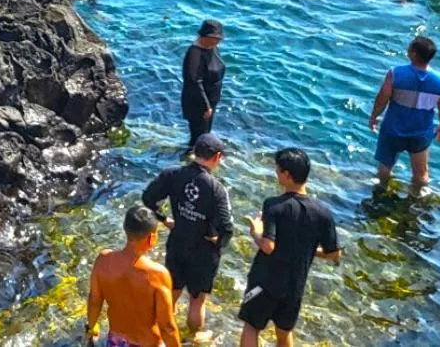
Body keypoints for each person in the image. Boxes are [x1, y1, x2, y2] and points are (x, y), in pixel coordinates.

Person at [239, 148, 341, 347]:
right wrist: (310, 250)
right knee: (284, 333)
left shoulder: (273, 205)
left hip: (265, 281)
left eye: (277, 170)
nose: (276, 174)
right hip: (295, 286)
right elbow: (334, 254)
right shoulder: (323, 213)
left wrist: (255, 232)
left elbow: (268, 246)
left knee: (252, 327)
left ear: (286, 174)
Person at [142, 133, 233, 338]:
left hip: (178, 241)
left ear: (194, 152)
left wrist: (165, 219)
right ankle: (191, 339)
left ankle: (162, 336)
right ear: (217, 157)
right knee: (197, 301)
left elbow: (148, 198)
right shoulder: (217, 189)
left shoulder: (172, 174)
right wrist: (218, 242)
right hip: (203, 250)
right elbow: (227, 228)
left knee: (171, 294)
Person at [84, 204, 182, 347]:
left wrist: (91, 329)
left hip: (116, 342)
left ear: (126, 229)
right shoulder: (158, 274)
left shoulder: (103, 260)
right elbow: (167, 327)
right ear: (152, 238)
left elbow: (94, 301)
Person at [368, 35, 440, 192]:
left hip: (393, 128)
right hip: (421, 132)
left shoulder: (395, 74)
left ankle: (381, 193)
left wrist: (373, 116)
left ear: (413, 53)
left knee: (385, 166)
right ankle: (416, 199)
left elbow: (382, 99)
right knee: (421, 172)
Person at [181, 20, 226, 148]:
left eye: (219, 39)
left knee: (205, 133)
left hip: (211, 101)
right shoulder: (195, 53)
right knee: (198, 136)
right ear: (203, 36)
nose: (216, 42)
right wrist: (206, 106)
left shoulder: (213, 49)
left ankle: (199, 158)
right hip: (198, 103)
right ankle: (192, 159)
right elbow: (194, 82)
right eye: (213, 38)